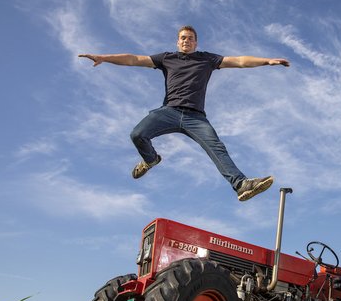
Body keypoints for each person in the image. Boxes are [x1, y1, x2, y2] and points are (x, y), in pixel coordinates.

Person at [79, 25, 290, 201]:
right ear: (177, 41)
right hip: (169, 111)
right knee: (137, 134)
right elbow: (134, 59)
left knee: (216, 147)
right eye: (182, 38)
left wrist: (267, 61)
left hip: (195, 117)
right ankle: (151, 159)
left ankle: (241, 184)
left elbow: (239, 61)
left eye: (190, 38)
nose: (186, 41)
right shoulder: (167, 58)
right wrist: (105, 58)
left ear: (196, 42)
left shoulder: (207, 59)